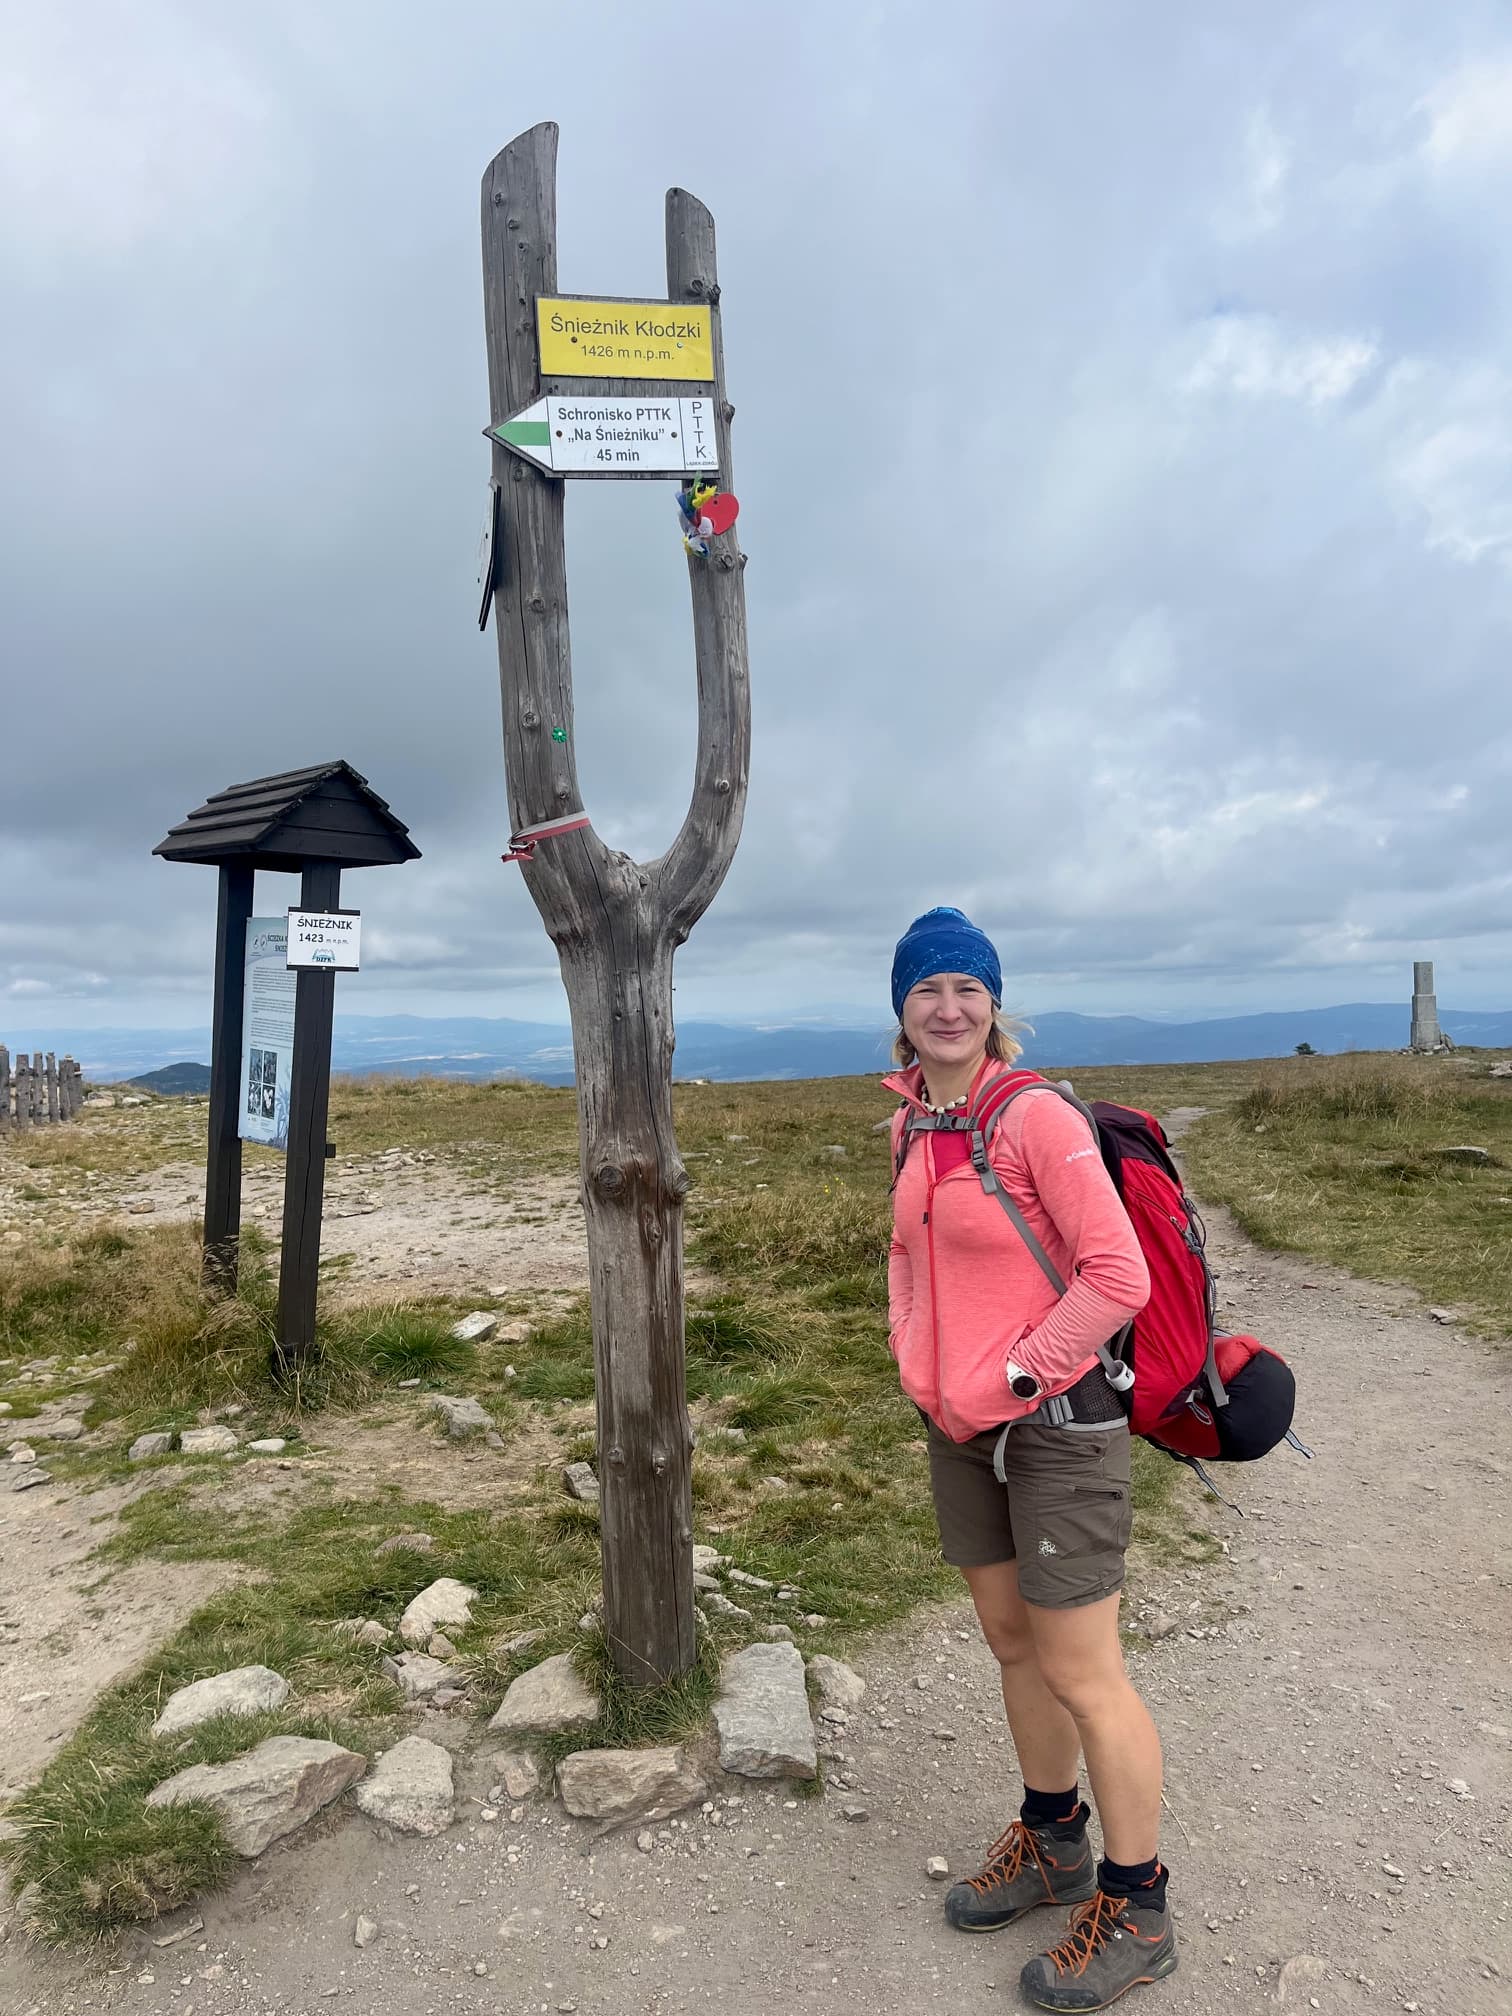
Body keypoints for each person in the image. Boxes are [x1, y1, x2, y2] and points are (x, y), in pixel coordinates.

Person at [883, 907, 1178, 2011]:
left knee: (1084, 1673)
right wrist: (922, 1369)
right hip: (956, 1426)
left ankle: (1137, 1905)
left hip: (1057, 1427)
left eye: (967, 988)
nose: (949, 1008)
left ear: (994, 1004)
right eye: (927, 992)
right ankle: (1052, 1838)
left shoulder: (1035, 1117)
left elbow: (1117, 1276)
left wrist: (1011, 1379)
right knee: (1013, 1644)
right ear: (902, 1015)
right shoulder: (915, 1123)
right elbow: (909, 1259)